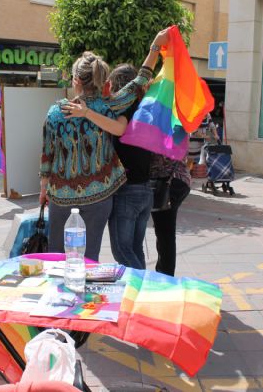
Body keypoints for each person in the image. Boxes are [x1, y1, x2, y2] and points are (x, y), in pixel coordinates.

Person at [39, 28, 169, 261]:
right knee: (89, 260)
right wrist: (156, 45)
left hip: (60, 197)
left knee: (58, 258)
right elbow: (140, 80)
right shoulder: (109, 106)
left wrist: (43, 189)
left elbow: (47, 156)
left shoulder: (55, 112)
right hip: (99, 197)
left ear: (76, 80)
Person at [76, 64, 152, 269]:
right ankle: (139, 294)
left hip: (127, 190)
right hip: (145, 189)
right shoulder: (144, 108)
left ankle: (143, 286)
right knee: (135, 248)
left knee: (122, 251)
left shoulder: (123, 109)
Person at [149, 153, 191, 277]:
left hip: (166, 183)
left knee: (164, 233)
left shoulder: (159, 134)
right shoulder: (178, 132)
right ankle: (164, 273)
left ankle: (165, 276)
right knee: (165, 233)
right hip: (181, 180)